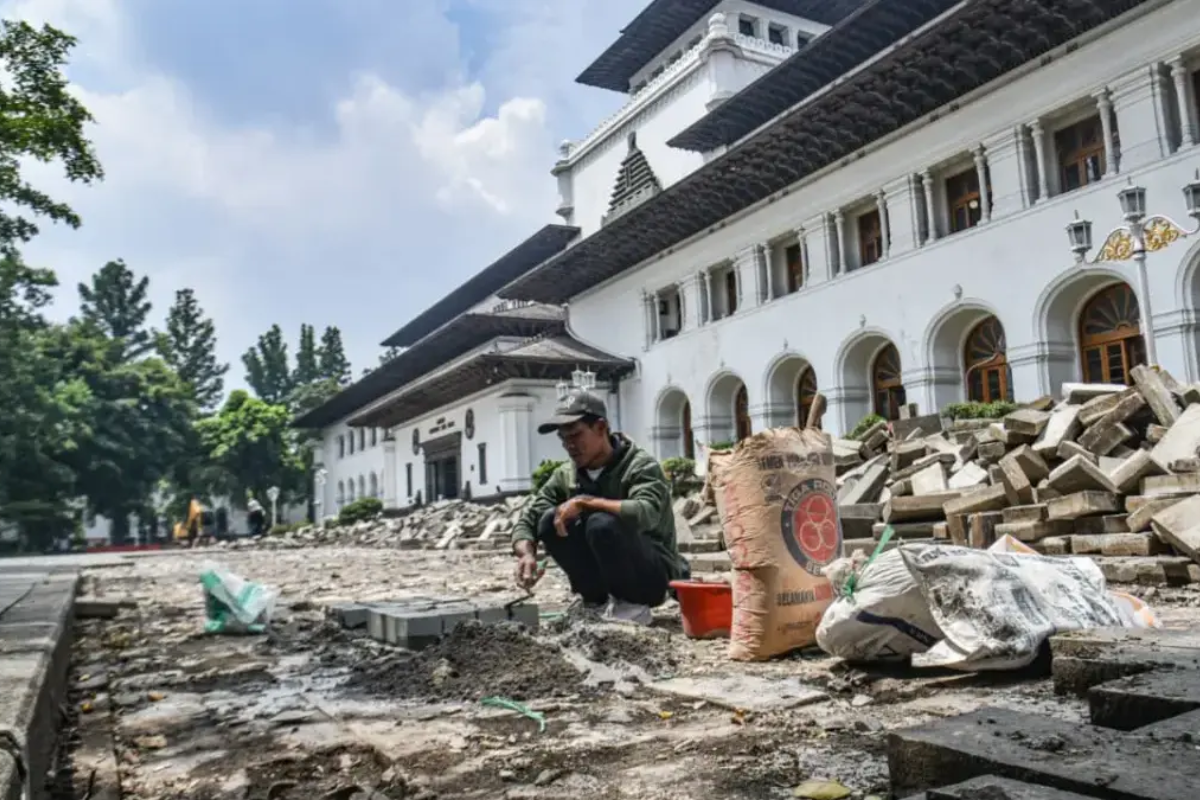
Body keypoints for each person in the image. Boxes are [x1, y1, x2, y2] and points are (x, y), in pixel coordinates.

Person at [511, 391, 689, 626]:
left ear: (601, 427)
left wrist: (587, 502)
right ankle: (595, 602)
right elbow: (530, 517)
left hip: (650, 575)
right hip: (602, 578)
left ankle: (631, 607)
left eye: (575, 435)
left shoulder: (639, 466)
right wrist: (527, 553)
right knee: (548, 520)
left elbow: (647, 513)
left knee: (601, 523)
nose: (569, 446)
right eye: (563, 439)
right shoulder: (567, 474)